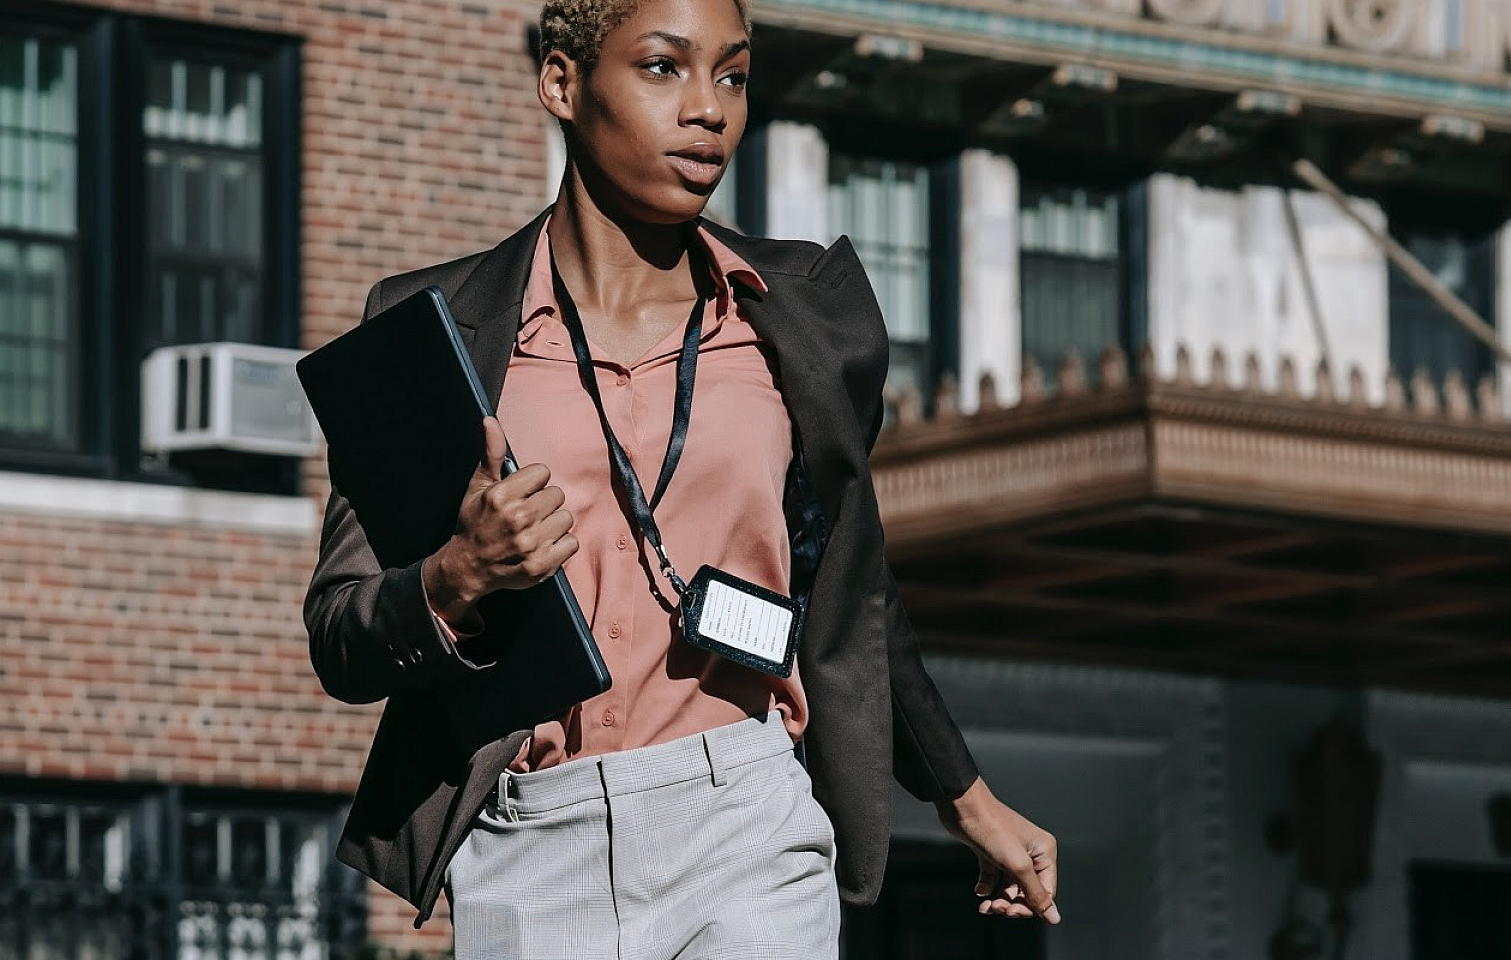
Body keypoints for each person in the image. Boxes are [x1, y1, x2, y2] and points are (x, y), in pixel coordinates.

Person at [303, 0, 1059, 955]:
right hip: (532, 837)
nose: (709, 109)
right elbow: (340, 634)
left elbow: (848, 593)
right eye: (664, 68)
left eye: (733, 76)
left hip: (746, 816)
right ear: (562, 82)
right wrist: (461, 573)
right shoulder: (432, 330)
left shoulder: (802, 325)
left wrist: (967, 797)